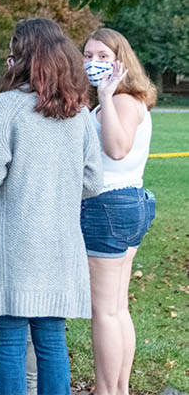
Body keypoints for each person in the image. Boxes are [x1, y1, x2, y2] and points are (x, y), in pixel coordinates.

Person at [0, 18, 102, 394]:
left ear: (23, 57)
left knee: (10, 343)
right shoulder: (78, 112)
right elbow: (93, 181)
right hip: (58, 242)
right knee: (52, 342)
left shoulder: (5, 106)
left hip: (12, 241)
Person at [80, 28, 156, 395]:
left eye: (102, 57)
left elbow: (116, 149)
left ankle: (107, 391)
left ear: (121, 62)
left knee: (105, 312)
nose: (92, 63)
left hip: (107, 206)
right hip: (125, 204)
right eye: (88, 55)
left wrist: (107, 96)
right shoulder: (112, 100)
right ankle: (117, 388)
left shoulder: (122, 100)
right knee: (117, 307)